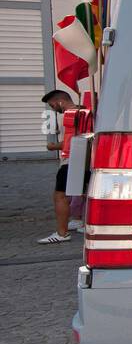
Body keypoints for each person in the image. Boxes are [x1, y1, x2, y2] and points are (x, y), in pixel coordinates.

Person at [39, 90, 76, 245]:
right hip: (77, 160)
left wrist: (53, 146)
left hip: (70, 160)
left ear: (60, 101)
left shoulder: (72, 115)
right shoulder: (82, 112)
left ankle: (62, 233)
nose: (53, 108)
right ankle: (78, 222)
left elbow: (72, 141)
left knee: (59, 196)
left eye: (52, 105)